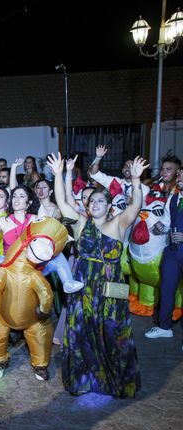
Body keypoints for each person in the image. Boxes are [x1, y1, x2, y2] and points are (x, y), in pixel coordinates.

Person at [48, 152, 148, 398]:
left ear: (110, 206)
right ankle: (85, 380)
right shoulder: (82, 223)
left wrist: (136, 180)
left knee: (112, 335)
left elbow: (136, 206)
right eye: (91, 202)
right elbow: (62, 202)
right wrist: (58, 174)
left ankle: (115, 382)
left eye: (100, 202)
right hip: (84, 289)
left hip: (109, 290)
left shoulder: (118, 224)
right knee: (82, 333)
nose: (94, 205)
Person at [145, 168, 183, 342]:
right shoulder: (173, 198)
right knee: (167, 288)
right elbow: (167, 221)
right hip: (173, 250)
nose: (179, 177)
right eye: (179, 174)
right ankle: (164, 327)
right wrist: (156, 227)